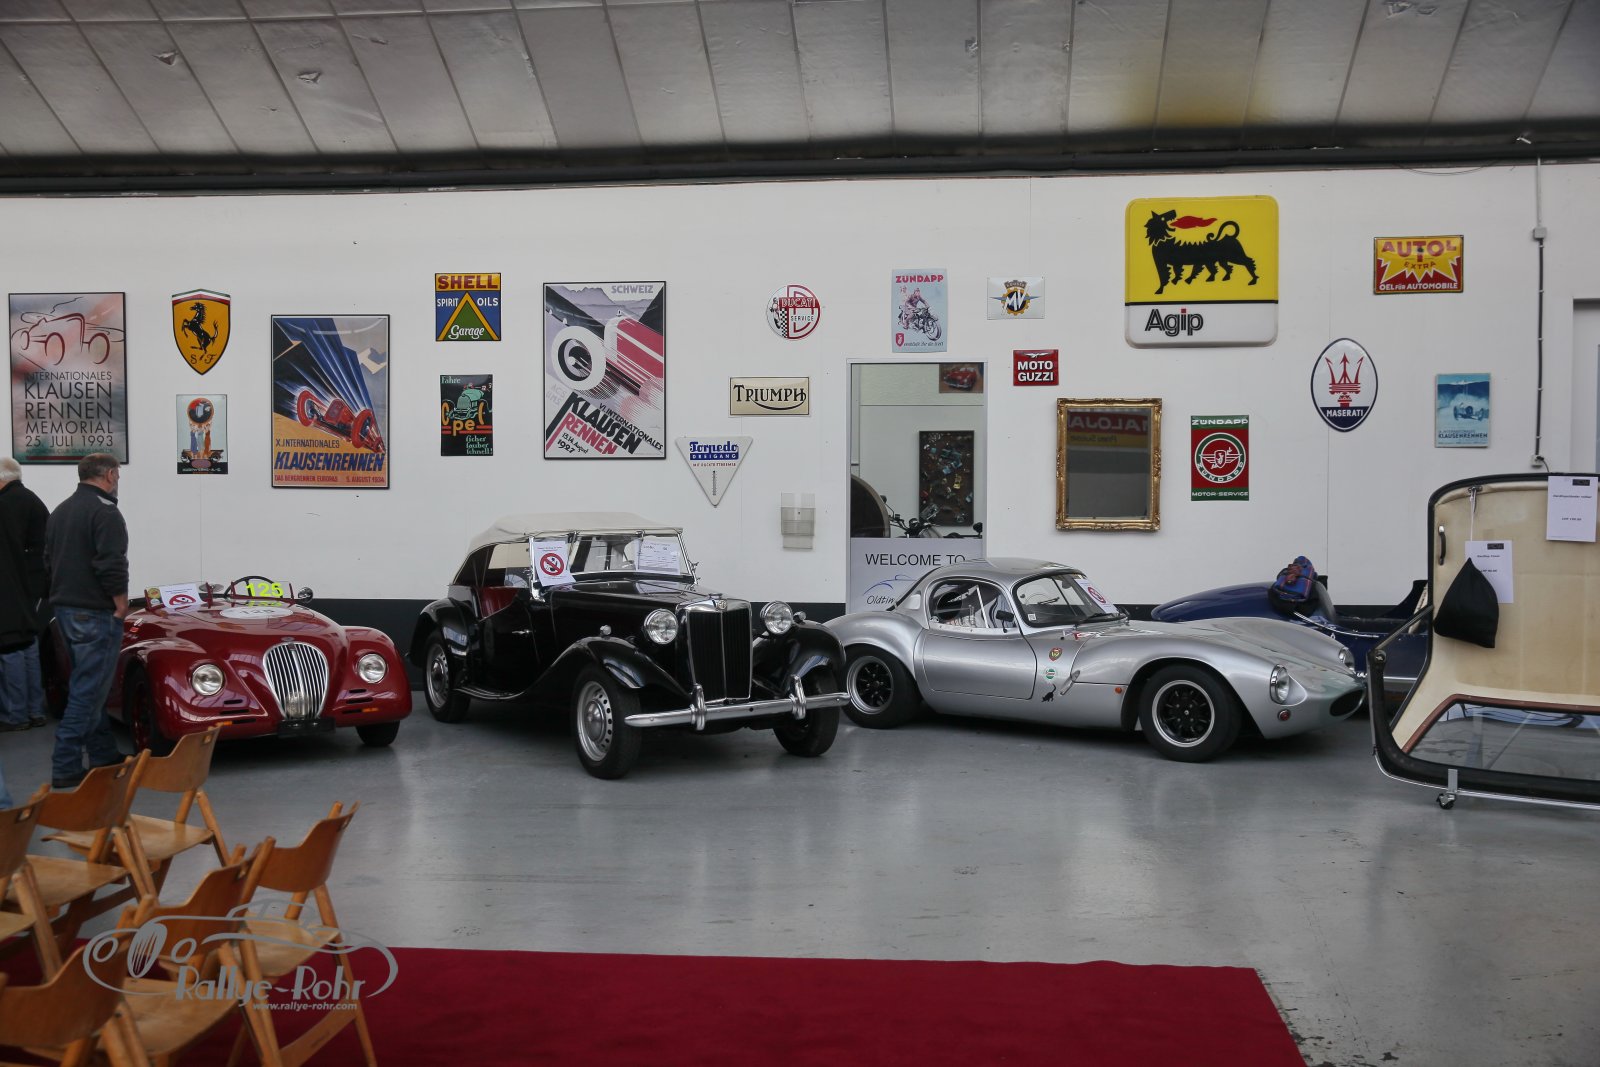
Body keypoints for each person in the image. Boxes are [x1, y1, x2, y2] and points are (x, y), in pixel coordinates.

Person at [44, 453, 128, 789]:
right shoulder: (105, 512)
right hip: (95, 612)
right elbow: (111, 563)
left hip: (65, 610)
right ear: (110, 475)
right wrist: (121, 603)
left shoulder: (60, 511)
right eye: (117, 475)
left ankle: (102, 752)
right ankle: (65, 764)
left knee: (87, 684)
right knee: (88, 691)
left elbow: (48, 561)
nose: (117, 480)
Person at [0, 456, 49, 733]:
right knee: (28, 643)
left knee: (10, 645)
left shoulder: (7, 504)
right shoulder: (30, 499)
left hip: (14, 585)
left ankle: (15, 713)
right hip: (33, 584)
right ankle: (35, 710)